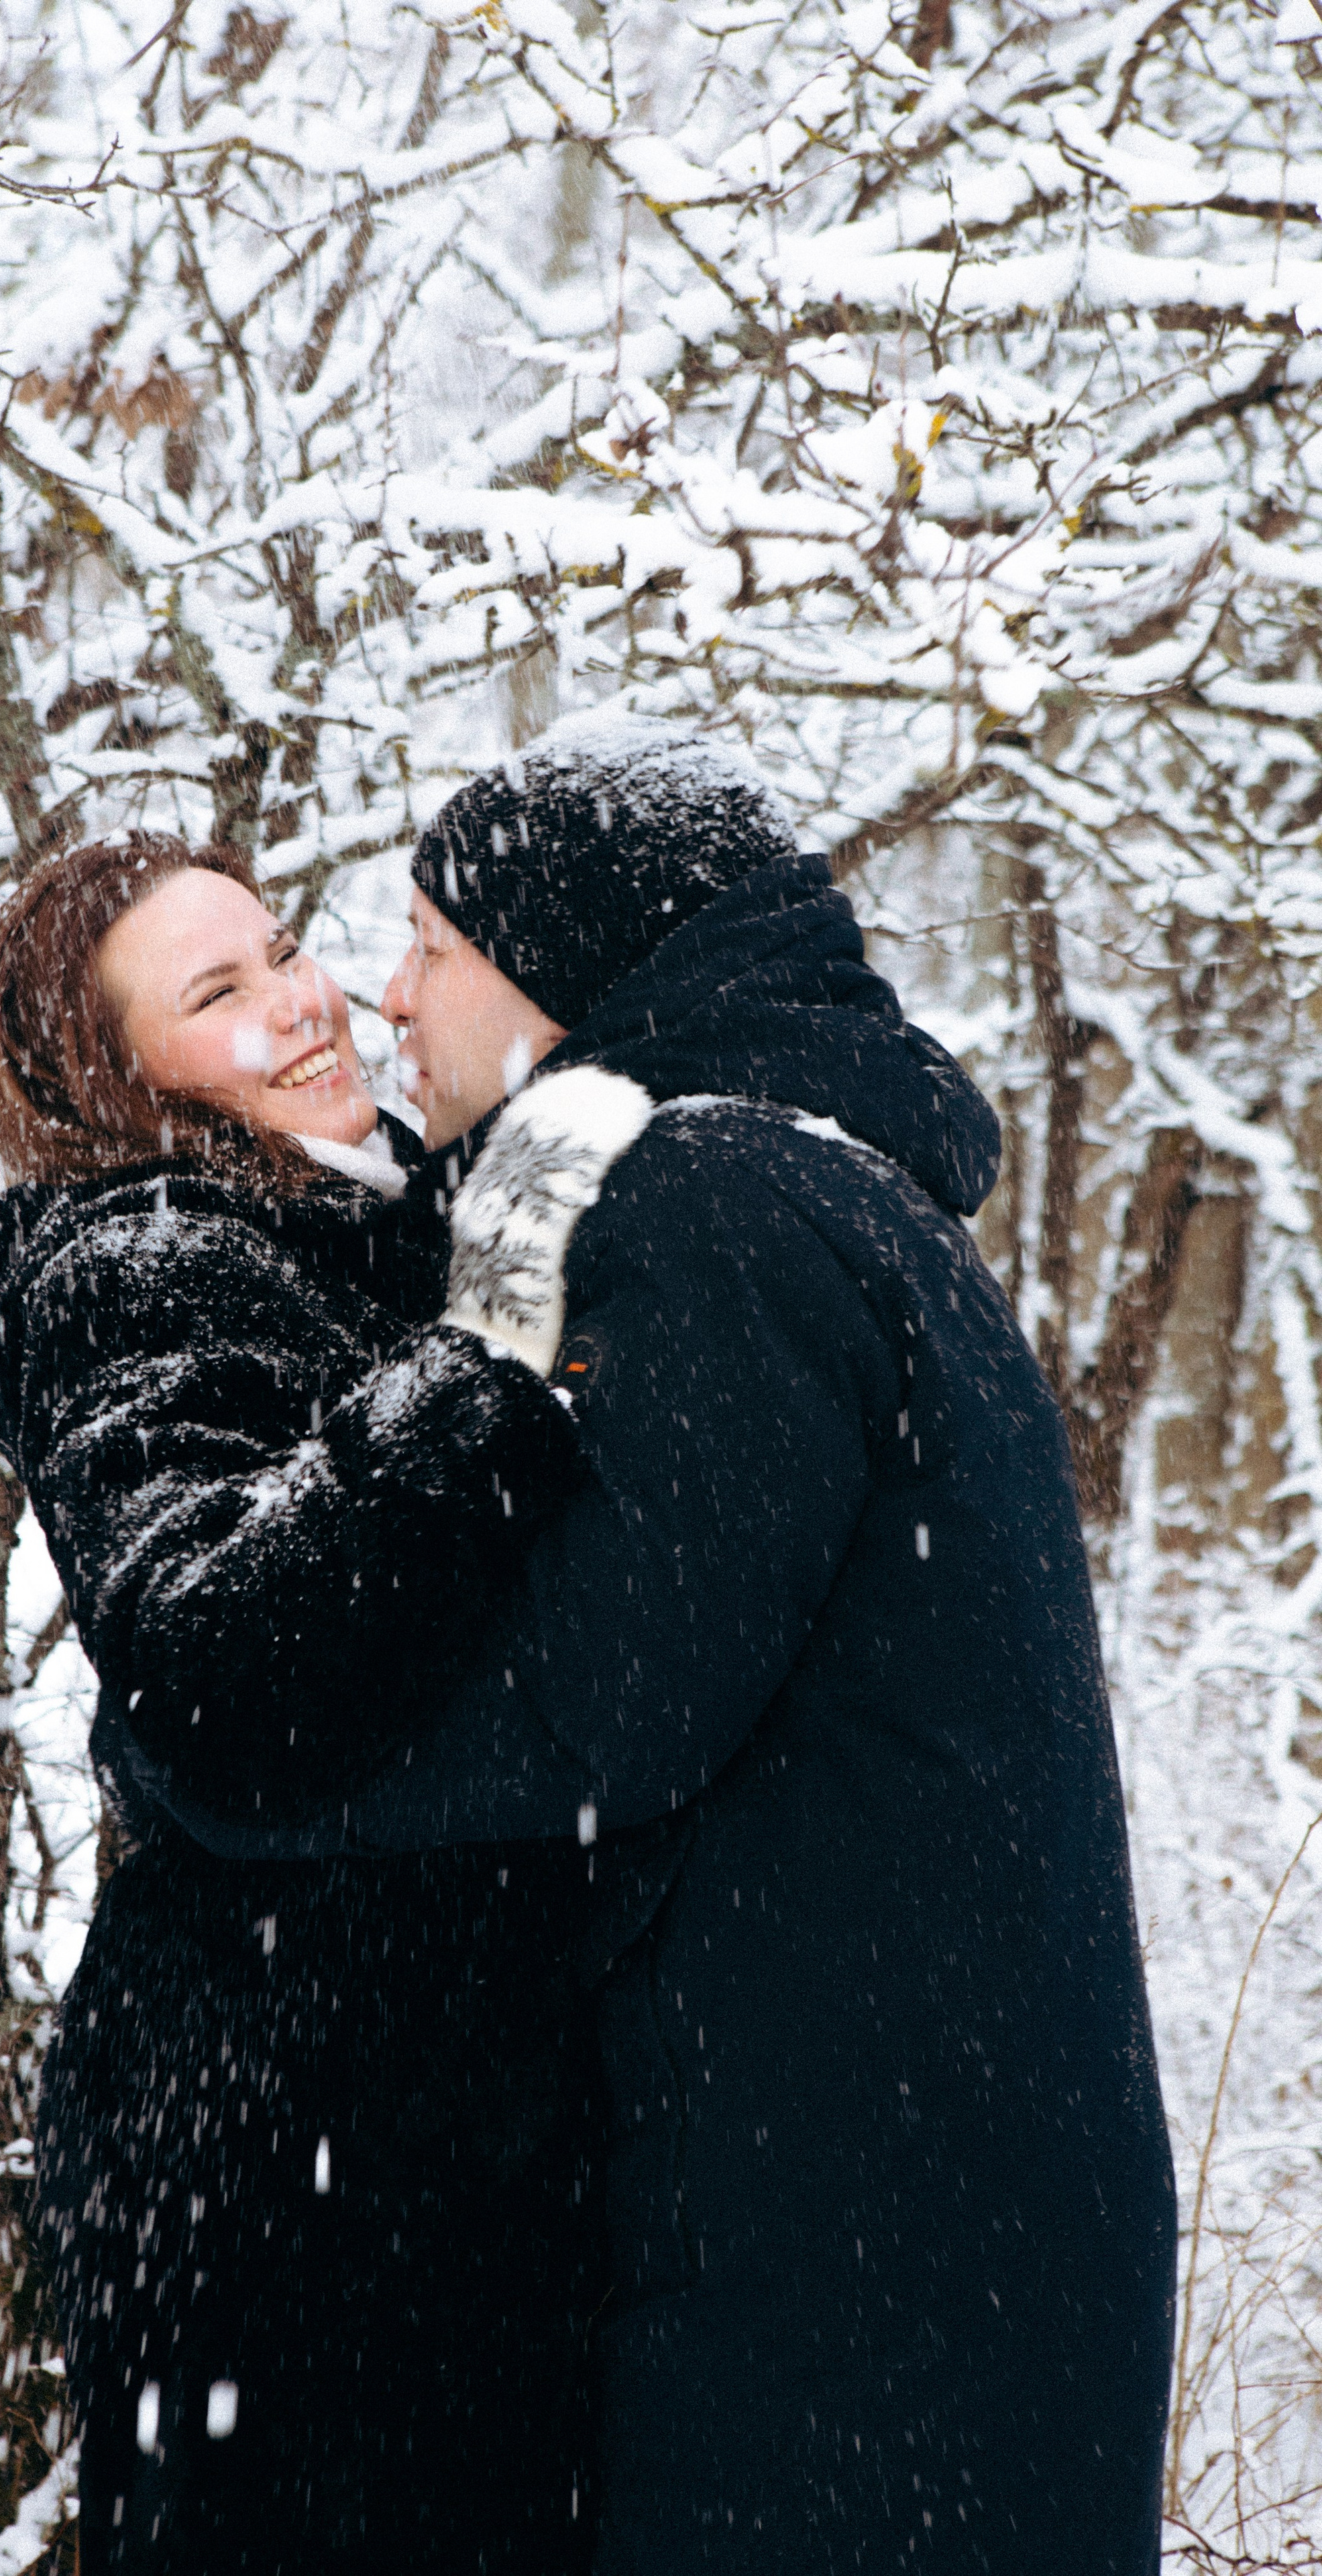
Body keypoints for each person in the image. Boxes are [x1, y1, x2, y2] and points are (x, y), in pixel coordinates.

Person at [88, 716, 1178, 2574]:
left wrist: (208, 1761)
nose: (386, 995)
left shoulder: (715, 1201)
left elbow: (590, 1708)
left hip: (840, 2268)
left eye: (431, 946)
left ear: (564, 968)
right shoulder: (835, 1193)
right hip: (927, 2227)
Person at [0, 830, 605, 2573]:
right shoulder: (141, 1269)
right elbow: (216, 1657)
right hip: (283, 2163)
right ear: (116, 1082)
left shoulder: (344, 1230)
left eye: (283, 949)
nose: (303, 1004)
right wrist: (486, 1357)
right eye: (219, 994)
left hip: (406, 2139)